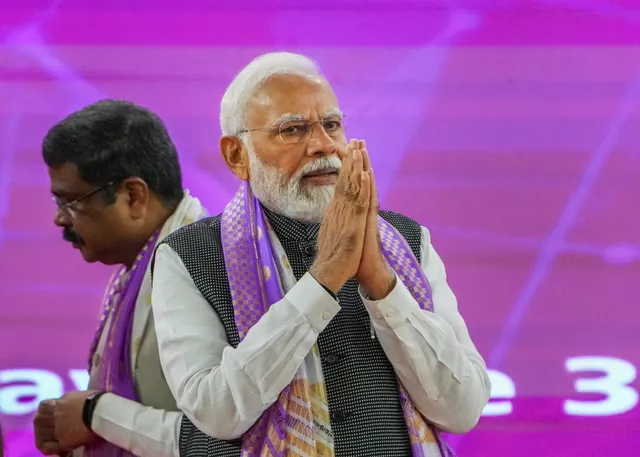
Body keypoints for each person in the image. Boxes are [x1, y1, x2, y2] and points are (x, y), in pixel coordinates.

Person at [150, 52, 492, 457]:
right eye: (292, 130)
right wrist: (323, 280)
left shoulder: (408, 241)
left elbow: (463, 408)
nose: (323, 145)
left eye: (331, 125)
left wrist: (382, 284)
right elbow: (216, 411)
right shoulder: (187, 255)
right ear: (236, 156)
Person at [32, 99, 208, 457]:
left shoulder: (209, 270)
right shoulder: (138, 266)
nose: (60, 219)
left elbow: (232, 442)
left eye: (70, 202)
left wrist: (95, 414)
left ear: (133, 196)